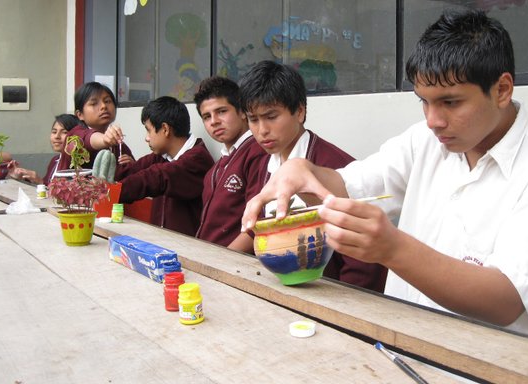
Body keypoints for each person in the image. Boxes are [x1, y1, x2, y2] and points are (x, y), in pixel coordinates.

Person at [241, 9, 528, 340]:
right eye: (423, 101)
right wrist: (301, 170)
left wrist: (393, 249)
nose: (433, 120)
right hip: (399, 351)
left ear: (501, 89)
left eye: (451, 102)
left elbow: (505, 302)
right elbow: (349, 186)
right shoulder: (424, 142)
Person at [238, 60, 388, 293]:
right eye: (253, 119)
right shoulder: (262, 163)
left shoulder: (336, 170)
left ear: (299, 111)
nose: (261, 130)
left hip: (330, 296)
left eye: (271, 116)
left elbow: (364, 264)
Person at [115, 96, 214, 236]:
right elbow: (131, 172)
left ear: (165, 129)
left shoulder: (198, 160)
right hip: (161, 245)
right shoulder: (162, 156)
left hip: (187, 250)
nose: (146, 138)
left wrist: (111, 193)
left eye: (148, 130)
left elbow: (155, 177)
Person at [193, 76, 269, 253]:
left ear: (242, 112)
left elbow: (258, 225)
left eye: (221, 111)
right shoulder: (216, 168)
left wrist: (222, 263)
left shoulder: (258, 152)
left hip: (234, 267)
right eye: (206, 116)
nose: (214, 121)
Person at [56, 82, 134, 171]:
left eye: (107, 101)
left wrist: (132, 166)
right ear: (80, 114)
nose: (104, 106)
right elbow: (86, 139)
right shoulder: (75, 135)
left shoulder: (119, 145)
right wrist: (104, 139)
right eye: (94, 103)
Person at [9, 114, 81, 185]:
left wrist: (39, 181)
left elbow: (66, 193)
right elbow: (47, 185)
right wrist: (22, 174)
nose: (57, 136)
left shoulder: (76, 163)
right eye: (54, 132)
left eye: (64, 132)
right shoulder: (55, 160)